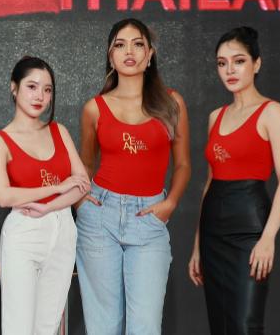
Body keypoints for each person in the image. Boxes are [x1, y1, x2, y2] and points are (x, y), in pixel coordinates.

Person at [76, 18, 191, 335]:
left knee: (145, 326)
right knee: (103, 326)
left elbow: (183, 164)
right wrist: (81, 202)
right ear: (110, 56)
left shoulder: (172, 103)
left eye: (138, 44)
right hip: (100, 217)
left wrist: (170, 203)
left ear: (150, 54)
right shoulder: (94, 108)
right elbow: (86, 164)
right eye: (120, 45)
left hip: (149, 217)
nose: (129, 51)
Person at [188, 27, 280, 335]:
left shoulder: (272, 112)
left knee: (246, 325)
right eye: (222, 63)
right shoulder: (215, 116)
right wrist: (197, 246)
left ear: (256, 63)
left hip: (249, 228)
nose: (230, 70)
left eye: (238, 61)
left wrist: (268, 238)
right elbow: (209, 183)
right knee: (220, 326)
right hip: (212, 231)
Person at [0, 56, 90, 335]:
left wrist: (49, 206)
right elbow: (3, 196)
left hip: (63, 229)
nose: (40, 96)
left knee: (47, 326)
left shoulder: (59, 131)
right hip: (24, 231)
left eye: (47, 90)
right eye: (32, 87)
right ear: (14, 88)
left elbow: (82, 185)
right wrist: (56, 188)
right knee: (19, 327)